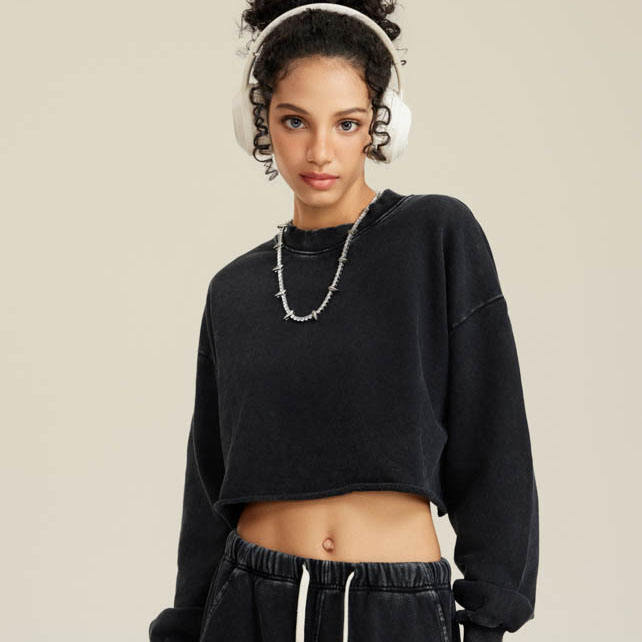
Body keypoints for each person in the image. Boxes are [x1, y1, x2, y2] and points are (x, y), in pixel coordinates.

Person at [148, 2, 539, 642]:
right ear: (259, 123)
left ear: (381, 125)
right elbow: (208, 487)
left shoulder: (435, 237)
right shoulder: (234, 290)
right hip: (250, 603)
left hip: (395, 608)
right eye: (295, 121)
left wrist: (489, 619)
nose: (320, 151)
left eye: (347, 122)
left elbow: (495, 444)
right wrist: (187, 623)